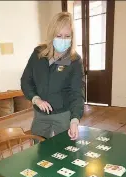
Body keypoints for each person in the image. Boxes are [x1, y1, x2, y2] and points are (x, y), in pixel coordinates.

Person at [21, 12, 85, 140]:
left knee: (66, 148)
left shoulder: (74, 60)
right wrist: (35, 99)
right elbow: (26, 81)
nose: (63, 40)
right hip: (40, 114)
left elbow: (77, 93)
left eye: (67, 36)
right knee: (38, 149)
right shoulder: (38, 54)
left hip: (63, 114)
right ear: (51, 35)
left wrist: (74, 120)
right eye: (59, 36)